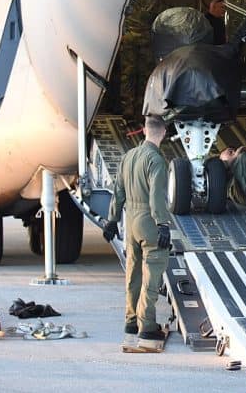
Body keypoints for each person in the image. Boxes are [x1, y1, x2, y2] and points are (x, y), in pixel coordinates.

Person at [103, 114, 173, 350]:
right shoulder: (156, 160)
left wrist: (112, 220)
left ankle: (131, 321)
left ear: (144, 131)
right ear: (163, 133)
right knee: (152, 270)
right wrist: (163, 223)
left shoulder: (128, 157)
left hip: (130, 219)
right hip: (148, 220)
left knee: (133, 271)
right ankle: (147, 325)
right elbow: (157, 197)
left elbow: (118, 191)